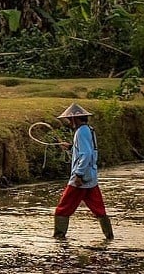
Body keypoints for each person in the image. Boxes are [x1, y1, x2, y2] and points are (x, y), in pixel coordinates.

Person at [53, 103, 114, 240]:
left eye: (70, 120)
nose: (69, 122)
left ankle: (59, 239)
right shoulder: (89, 130)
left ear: (75, 119)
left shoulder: (80, 132)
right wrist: (71, 147)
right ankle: (109, 237)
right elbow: (88, 151)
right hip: (91, 177)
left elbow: (86, 154)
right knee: (99, 209)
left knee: (62, 209)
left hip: (81, 178)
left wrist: (78, 175)